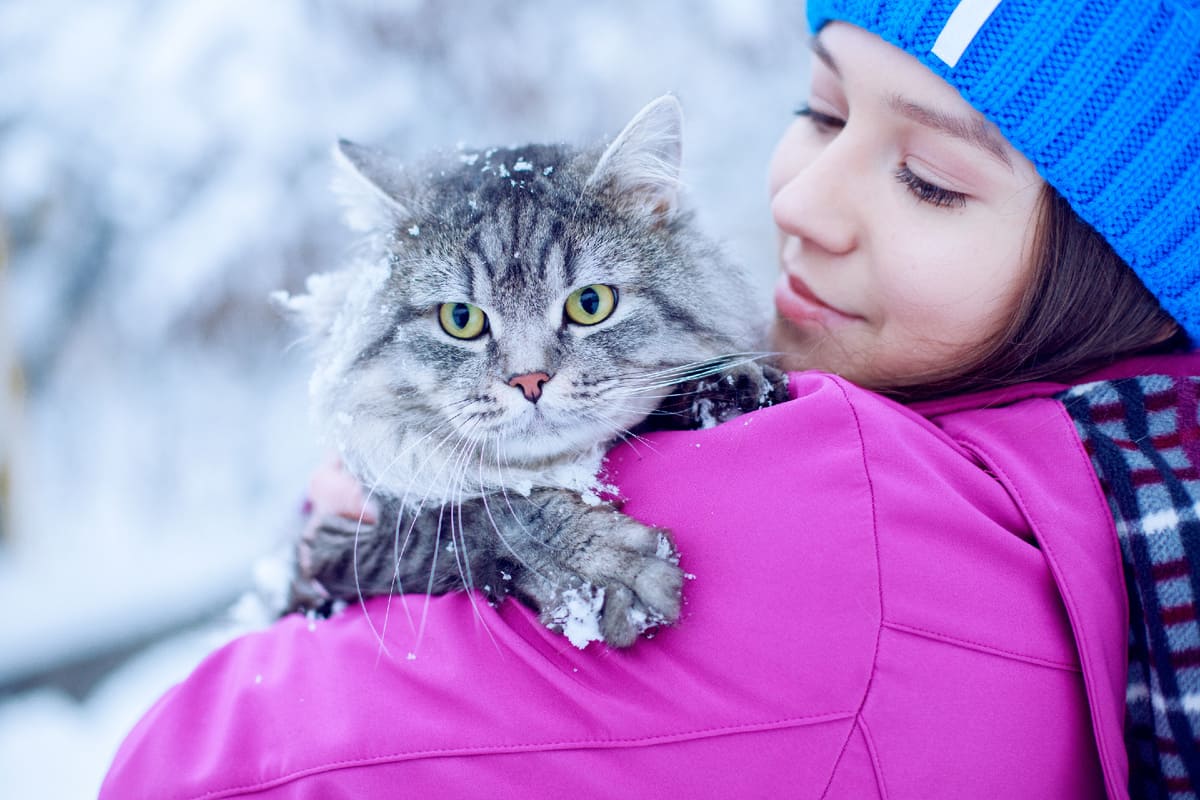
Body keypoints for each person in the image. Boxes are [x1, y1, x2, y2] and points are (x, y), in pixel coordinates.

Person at [101, 0, 1200, 797]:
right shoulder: (1131, 474)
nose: (801, 200)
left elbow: (200, 768)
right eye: (819, 109)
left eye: (931, 180)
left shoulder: (849, 521)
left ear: (1111, 269)